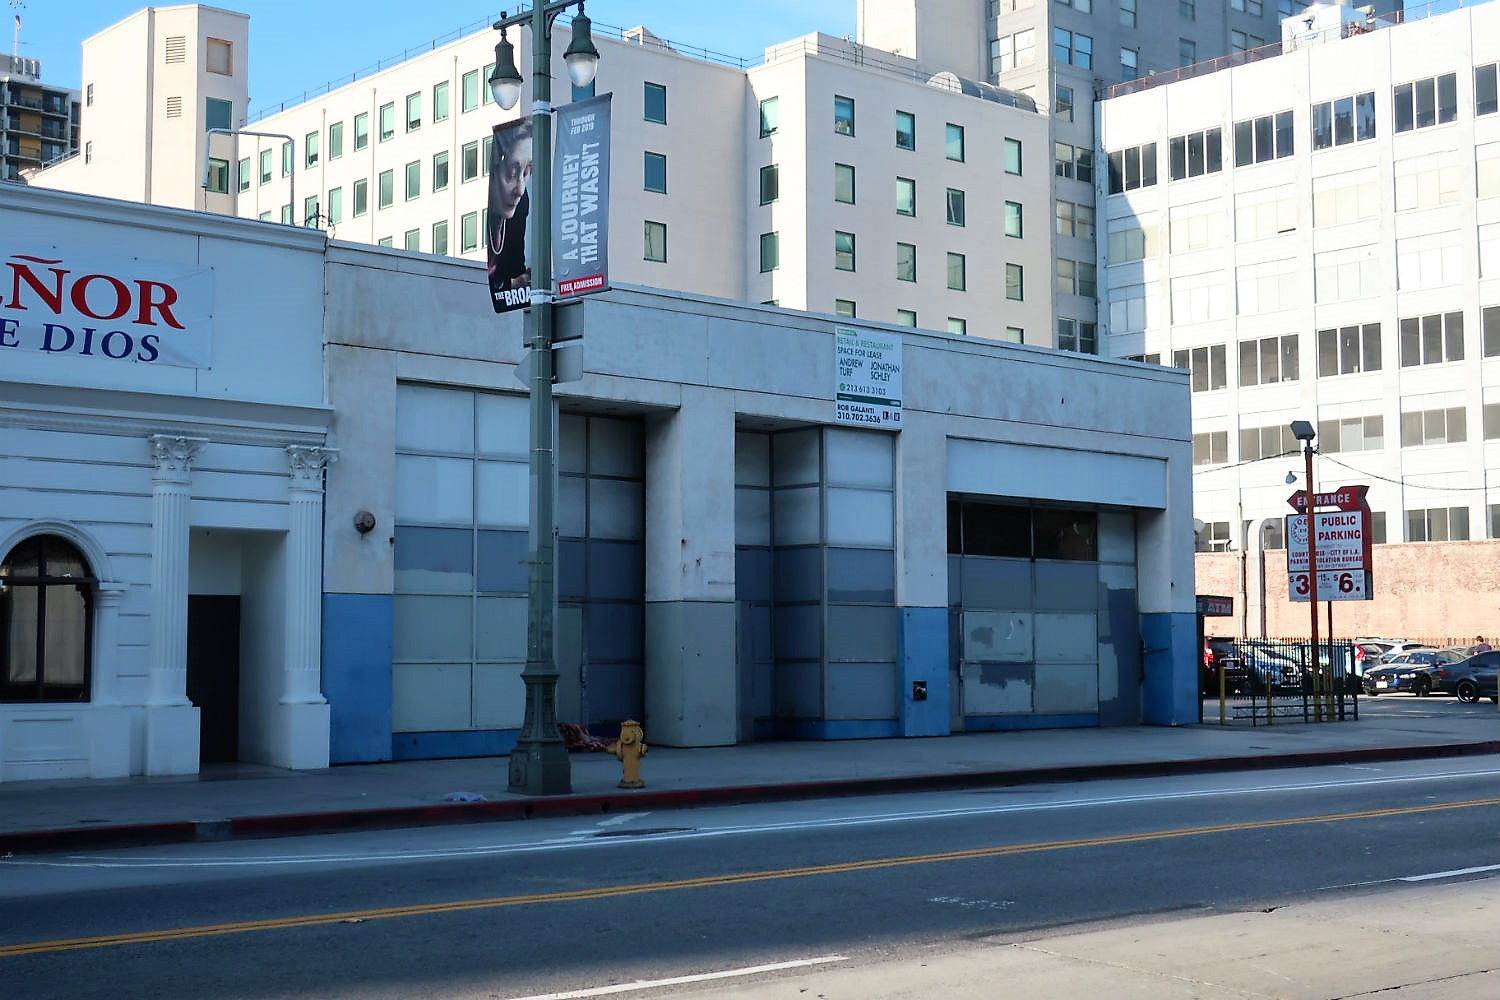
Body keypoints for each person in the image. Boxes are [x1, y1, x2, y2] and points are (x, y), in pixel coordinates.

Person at [486, 118, 533, 311]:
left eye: (527, 172)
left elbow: (517, 270)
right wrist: (516, 282)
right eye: (512, 173)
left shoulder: (521, 204)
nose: (520, 189)